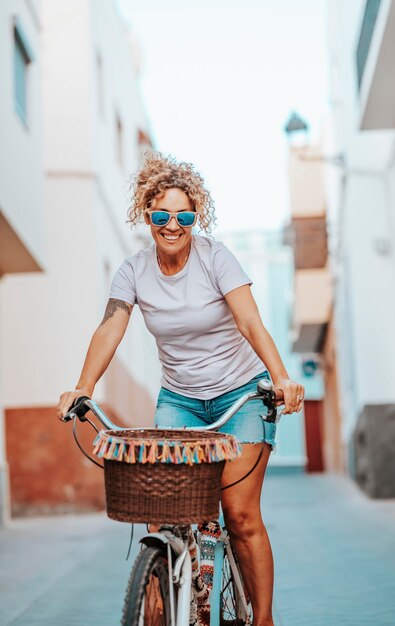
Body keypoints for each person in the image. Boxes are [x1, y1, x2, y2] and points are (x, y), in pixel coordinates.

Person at [57, 152, 304, 626]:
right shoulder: (133, 270)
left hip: (241, 395)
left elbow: (250, 321)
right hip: (181, 400)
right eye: (162, 214)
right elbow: (111, 327)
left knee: (239, 513)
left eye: (184, 215)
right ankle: (174, 600)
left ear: (197, 216)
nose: (173, 224)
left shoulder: (215, 258)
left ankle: (265, 619)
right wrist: (81, 388)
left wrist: (280, 377)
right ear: (146, 214)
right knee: (164, 514)